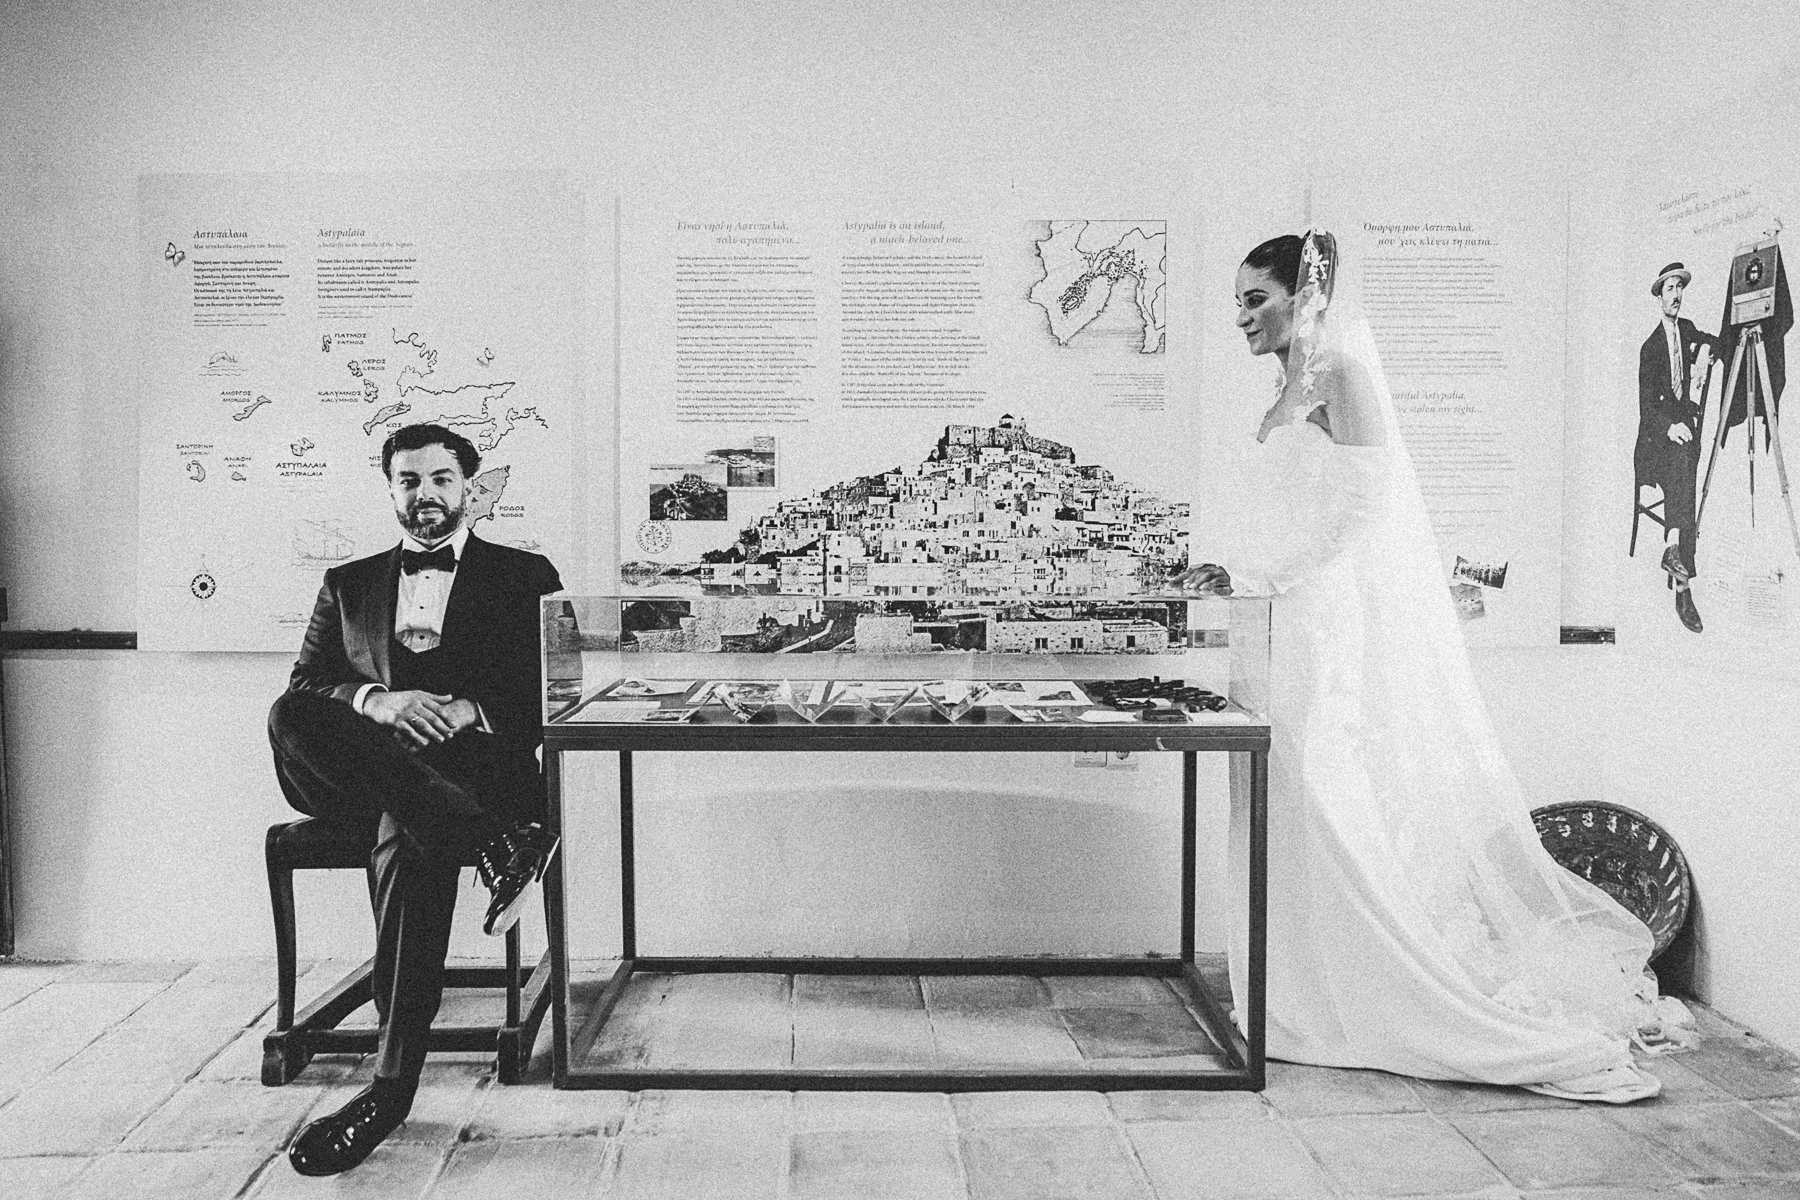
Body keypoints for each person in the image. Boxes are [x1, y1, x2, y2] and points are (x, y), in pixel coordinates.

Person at [1179, 232, 1674, 1103]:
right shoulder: (1285, 389)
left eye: (1256, 298)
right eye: (1237, 302)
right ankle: (1293, 995)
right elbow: (1292, 505)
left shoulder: (1339, 375)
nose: (1242, 317)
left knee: (1321, 796)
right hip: (1269, 619)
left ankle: (1388, 994)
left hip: (1315, 620)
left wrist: (1264, 577)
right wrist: (1231, 571)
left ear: (1307, 296)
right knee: (1275, 799)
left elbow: (1371, 504)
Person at [268, 422, 563, 1174]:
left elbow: (556, 688)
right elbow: (308, 685)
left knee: (411, 835)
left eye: (438, 479)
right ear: (390, 488)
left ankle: (388, 1090)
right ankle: (501, 846)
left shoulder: (524, 574)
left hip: (470, 771)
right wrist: (378, 703)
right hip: (355, 774)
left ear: (470, 487)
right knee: (288, 714)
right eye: (408, 480)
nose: (423, 494)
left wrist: (469, 709)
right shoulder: (348, 583)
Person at [1636, 261, 1714, 633]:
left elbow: (1712, 342)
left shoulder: (1686, 329)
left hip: (1684, 435)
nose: (1677, 295)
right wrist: (1671, 427)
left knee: (1685, 461)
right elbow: (1646, 410)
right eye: (1670, 289)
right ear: (1659, 296)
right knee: (1682, 465)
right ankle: (1683, 585)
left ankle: (1672, 549)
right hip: (1655, 442)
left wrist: (1703, 357)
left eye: (1680, 288)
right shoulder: (1649, 348)